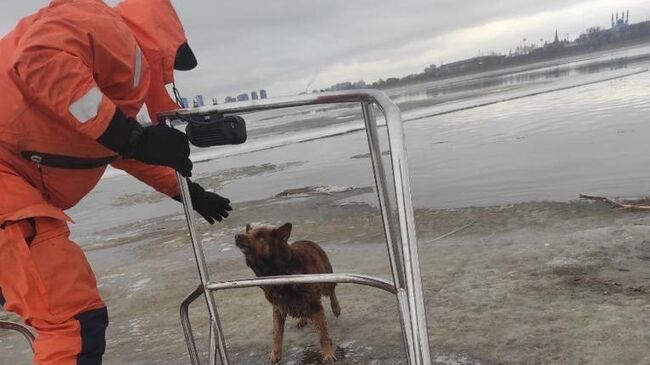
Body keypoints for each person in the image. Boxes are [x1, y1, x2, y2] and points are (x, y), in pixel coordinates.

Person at [0, 0, 232, 364]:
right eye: (173, 62)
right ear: (163, 42)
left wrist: (189, 192)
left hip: (15, 183)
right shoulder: (108, 28)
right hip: (9, 188)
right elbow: (40, 58)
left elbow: (113, 145)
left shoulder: (120, 84)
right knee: (73, 321)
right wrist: (134, 138)